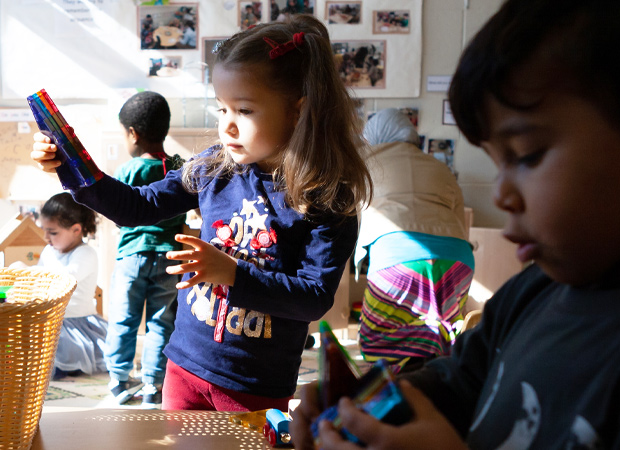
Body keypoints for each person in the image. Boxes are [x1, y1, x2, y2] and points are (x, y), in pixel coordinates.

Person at [291, 0, 620, 448]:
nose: (500, 194)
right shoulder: (537, 289)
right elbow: (455, 381)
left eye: (528, 155)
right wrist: (369, 409)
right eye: (498, 163)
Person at [33, 15, 371, 412]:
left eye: (243, 110)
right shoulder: (215, 167)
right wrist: (68, 165)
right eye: (221, 109)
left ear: (298, 111)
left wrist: (230, 272)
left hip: (255, 385)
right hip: (184, 368)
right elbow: (133, 207)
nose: (227, 127)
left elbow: (314, 298)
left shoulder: (328, 197)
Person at [354, 108, 474, 375]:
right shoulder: (440, 167)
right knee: (442, 335)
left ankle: (396, 399)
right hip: (457, 260)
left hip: (398, 259)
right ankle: (439, 365)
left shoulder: (364, 162)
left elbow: (351, 215)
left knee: (378, 339)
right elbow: (460, 221)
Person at [104, 91, 186, 408]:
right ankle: (153, 385)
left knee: (123, 321)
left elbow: (116, 212)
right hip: (168, 256)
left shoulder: (127, 171)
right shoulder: (178, 168)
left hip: (131, 257)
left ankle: (117, 381)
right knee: (160, 323)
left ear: (133, 134)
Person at [35, 192, 108, 380]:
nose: (46, 237)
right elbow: (38, 279)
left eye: (52, 232)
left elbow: (65, 280)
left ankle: (69, 367)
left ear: (76, 230)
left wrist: (29, 273)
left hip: (77, 323)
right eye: (44, 230)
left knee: (65, 358)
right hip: (50, 321)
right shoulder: (49, 251)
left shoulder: (86, 253)